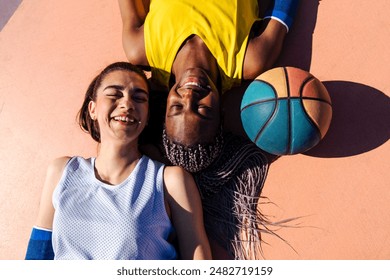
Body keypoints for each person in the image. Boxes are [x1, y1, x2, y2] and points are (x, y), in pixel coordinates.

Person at [25, 62, 211, 260]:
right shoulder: (62, 171)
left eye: (139, 98)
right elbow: (38, 256)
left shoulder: (170, 181)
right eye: (114, 94)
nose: (127, 104)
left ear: (147, 116)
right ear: (93, 109)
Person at [118, 0, 300, 172]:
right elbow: (284, 5)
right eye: (202, 108)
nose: (189, 96)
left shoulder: (140, 48)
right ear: (221, 112)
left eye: (177, 107)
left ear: (165, 106)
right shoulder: (250, 59)